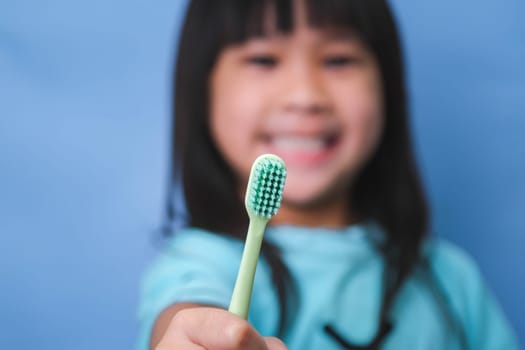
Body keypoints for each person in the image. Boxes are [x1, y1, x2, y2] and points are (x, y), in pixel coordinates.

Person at [137, 0, 519, 349]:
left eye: (338, 60)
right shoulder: (204, 264)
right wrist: (192, 337)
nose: (305, 96)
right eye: (263, 60)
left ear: (387, 86)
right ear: (202, 89)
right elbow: (185, 315)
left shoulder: (450, 279)